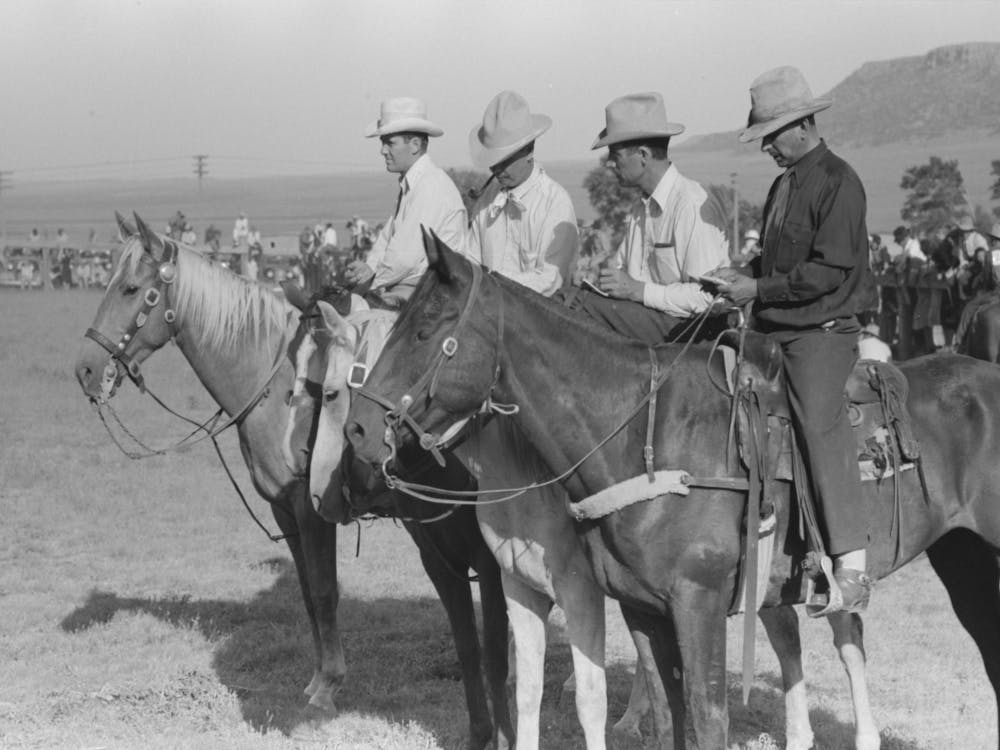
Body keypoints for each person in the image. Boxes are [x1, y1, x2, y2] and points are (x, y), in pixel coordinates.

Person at [712, 65, 873, 614]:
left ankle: (851, 564)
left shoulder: (839, 183)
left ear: (802, 125)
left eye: (772, 136)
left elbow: (828, 272)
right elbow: (777, 260)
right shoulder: (785, 185)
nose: (768, 149)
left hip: (820, 334)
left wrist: (757, 285)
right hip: (776, 328)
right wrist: (739, 276)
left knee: (817, 418)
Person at [566, 92, 730, 343]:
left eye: (615, 155)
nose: (609, 164)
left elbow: (710, 297)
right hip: (651, 321)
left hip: (689, 333)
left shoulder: (689, 204)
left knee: (574, 304)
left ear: (643, 155)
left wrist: (639, 291)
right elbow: (624, 274)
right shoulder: (641, 207)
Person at [343, 97, 467, 306]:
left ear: (415, 145)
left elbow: (403, 259)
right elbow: (387, 240)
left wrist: (369, 277)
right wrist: (369, 268)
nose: (383, 150)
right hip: (414, 292)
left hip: (432, 299)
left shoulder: (431, 186)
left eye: (389, 143)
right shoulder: (414, 186)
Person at [465, 90, 578, 296]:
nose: (497, 170)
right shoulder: (487, 200)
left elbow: (551, 279)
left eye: (505, 160)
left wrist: (493, 289)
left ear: (529, 151)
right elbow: (471, 259)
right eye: (493, 162)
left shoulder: (555, 203)